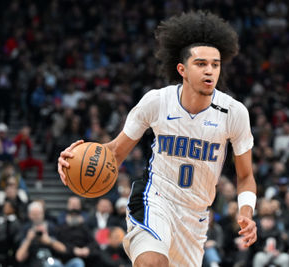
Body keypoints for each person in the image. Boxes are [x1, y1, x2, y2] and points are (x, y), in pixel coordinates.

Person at [57, 11, 257, 267]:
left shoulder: (234, 113)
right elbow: (115, 152)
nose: (210, 71)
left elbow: (245, 176)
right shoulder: (157, 101)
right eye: (201, 64)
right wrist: (76, 158)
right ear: (182, 69)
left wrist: (246, 212)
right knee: (152, 263)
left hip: (195, 217)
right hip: (155, 199)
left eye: (215, 64)